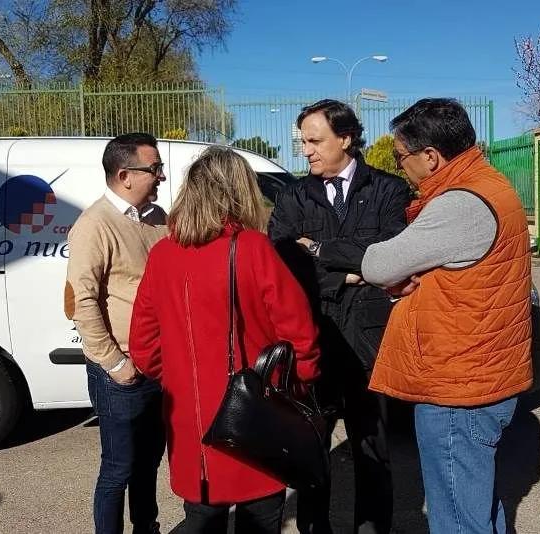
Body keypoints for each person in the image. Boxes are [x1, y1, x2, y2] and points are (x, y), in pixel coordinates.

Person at [360, 98, 533, 534]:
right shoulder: (491, 184)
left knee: (457, 520)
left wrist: (400, 274)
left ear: (431, 157)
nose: (400, 168)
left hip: (458, 388)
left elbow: (378, 265)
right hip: (486, 374)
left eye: (401, 157)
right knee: (479, 509)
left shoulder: (460, 204)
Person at [128, 146, 321, 534]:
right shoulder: (253, 248)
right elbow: (300, 334)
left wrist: (180, 377)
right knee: (260, 520)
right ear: (240, 191)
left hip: (192, 426)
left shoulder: (163, 254)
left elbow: (144, 346)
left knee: (202, 519)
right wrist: (295, 388)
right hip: (256, 416)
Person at [268, 99, 411, 534]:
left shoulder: (388, 190)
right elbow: (282, 263)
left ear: (345, 138)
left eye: (314, 141)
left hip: (370, 344)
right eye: (302, 142)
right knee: (312, 452)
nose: (305, 151)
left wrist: (317, 249)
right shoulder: (294, 196)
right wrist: (349, 274)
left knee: (373, 453)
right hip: (313, 344)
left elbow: (392, 255)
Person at [64, 132, 169, 534]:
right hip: (121, 372)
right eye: (154, 168)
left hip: (157, 366)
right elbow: (80, 301)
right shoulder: (95, 225)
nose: (161, 176)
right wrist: (115, 363)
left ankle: (147, 528)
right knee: (118, 469)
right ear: (125, 175)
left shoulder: (158, 219)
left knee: (148, 463)